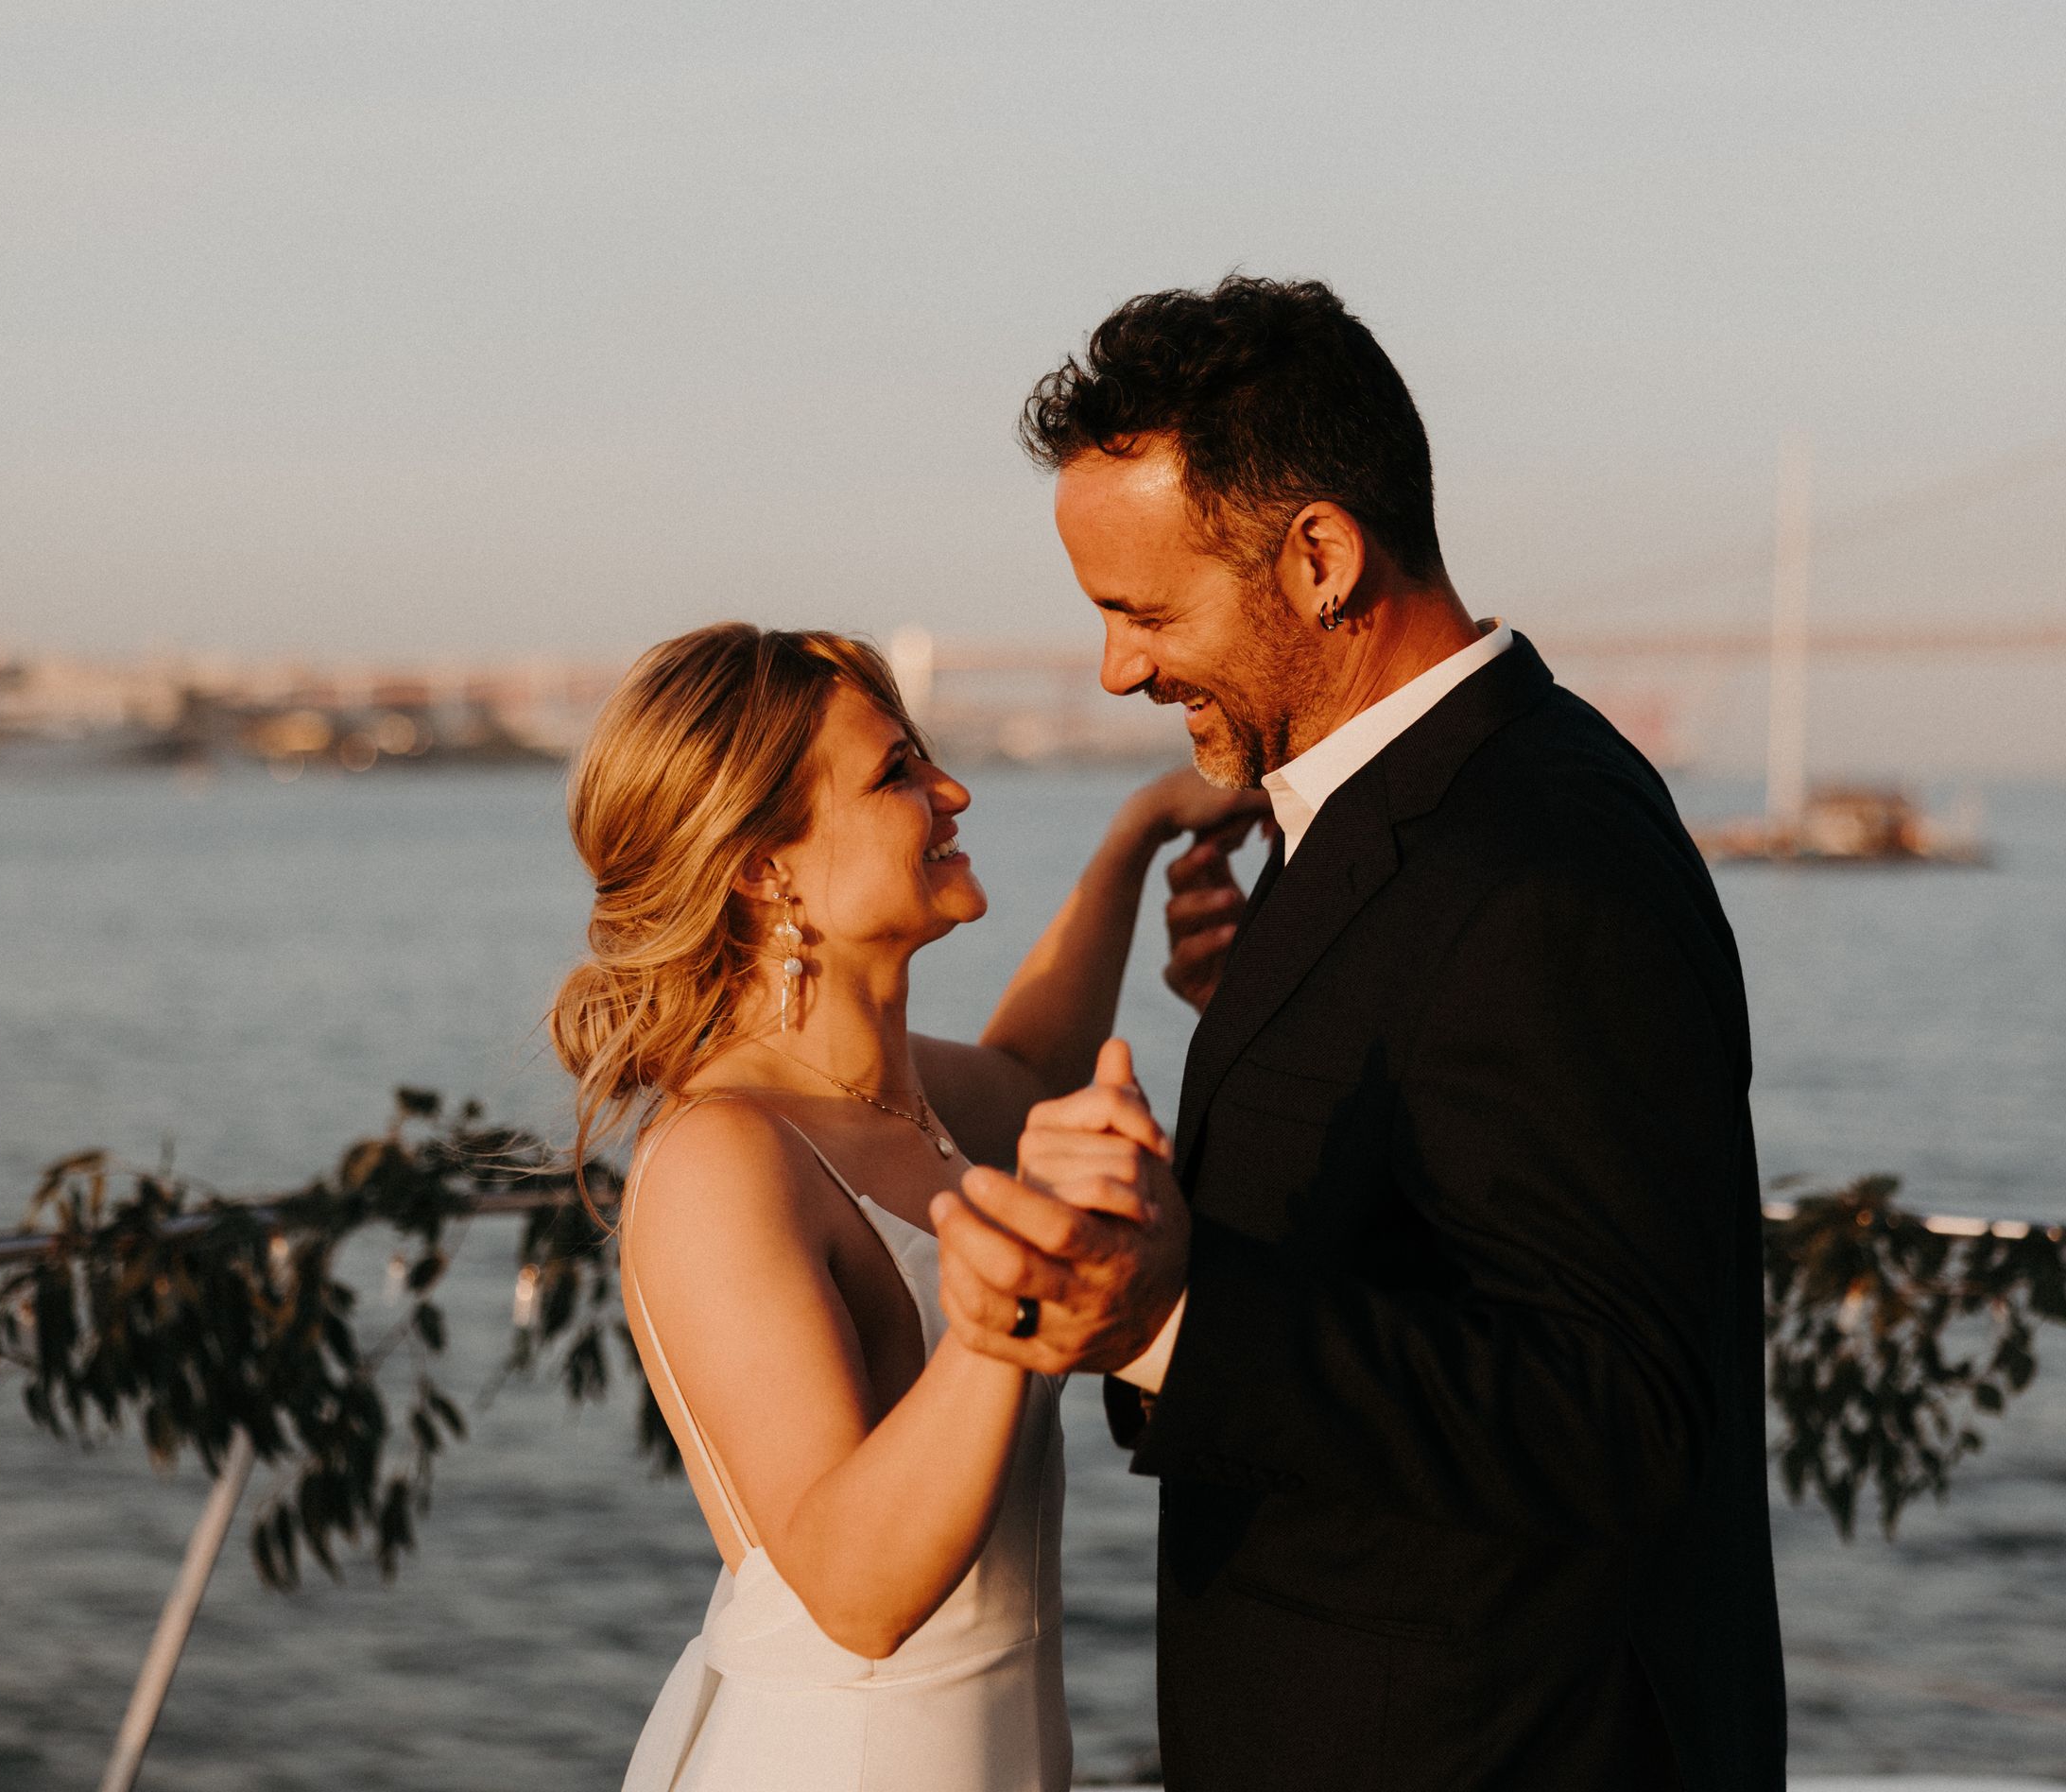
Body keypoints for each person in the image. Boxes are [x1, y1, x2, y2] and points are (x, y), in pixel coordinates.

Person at [931, 276, 1789, 1789]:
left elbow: (1623, 1415)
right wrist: (1274, 1013)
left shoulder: (1540, 860)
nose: (1121, 669)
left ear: (1320, 556)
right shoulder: (1406, 822)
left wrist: (1162, 1320)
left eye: (1145, 611)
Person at [552, 623, 1262, 1792]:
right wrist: (1020, 1287)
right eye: (896, 773)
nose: (953, 788)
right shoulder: (724, 1159)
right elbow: (855, 1588)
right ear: (762, 867)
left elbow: (1035, 1068)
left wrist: (1137, 834)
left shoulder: (907, 1104)